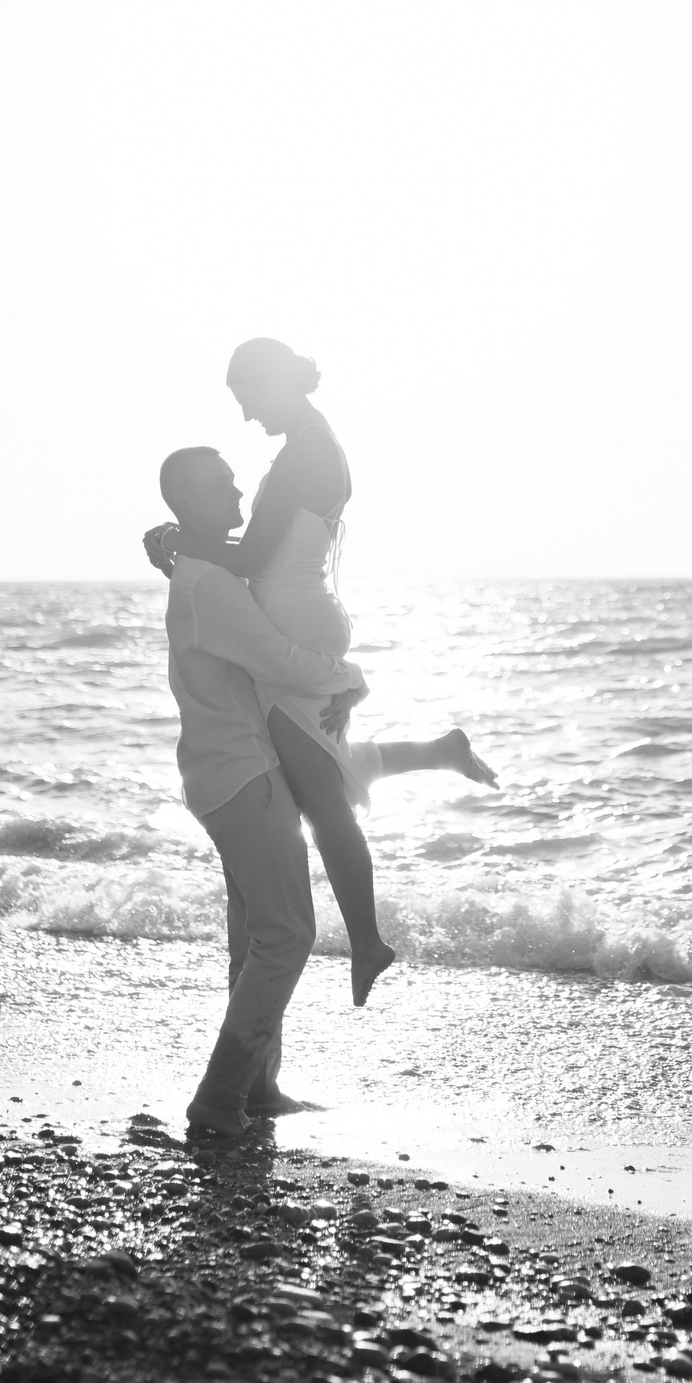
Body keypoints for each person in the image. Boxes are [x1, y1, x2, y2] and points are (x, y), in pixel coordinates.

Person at [145, 338, 493, 1008]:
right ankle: (437, 751)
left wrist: (173, 537)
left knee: (323, 801)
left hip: (296, 625)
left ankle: (367, 941)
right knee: (321, 770)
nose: (246, 415)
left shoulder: (308, 448)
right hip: (304, 617)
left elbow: (250, 557)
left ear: (272, 383)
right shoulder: (306, 443)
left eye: (247, 397)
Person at [156, 445, 363, 1137]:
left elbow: (248, 566)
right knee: (288, 933)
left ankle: (257, 1087)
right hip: (242, 774)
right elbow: (275, 658)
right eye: (220, 485)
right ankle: (219, 1097)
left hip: (223, 773)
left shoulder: (203, 569)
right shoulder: (207, 583)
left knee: (254, 938)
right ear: (188, 503)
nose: (239, 489)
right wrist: (346, 674)